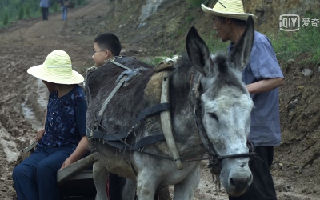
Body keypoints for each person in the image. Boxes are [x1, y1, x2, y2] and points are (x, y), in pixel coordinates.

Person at [202, 0, 284, 199]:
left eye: (216, 21)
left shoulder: (257, 42)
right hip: (239, 133)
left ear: (228, 21)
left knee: (258, 192)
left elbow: (275, 78)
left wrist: (239, 92)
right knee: (239, 191)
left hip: (256, 132)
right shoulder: (234, 48)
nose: (214, 27)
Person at [12, 50, 89, 200]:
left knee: (44, 169)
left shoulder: (79, 98)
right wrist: (44, 128)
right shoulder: (54, 93)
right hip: (47, 147)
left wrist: (72, 159)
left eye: (45, 79)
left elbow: (86, 137)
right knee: (20, 172)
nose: (43, 81)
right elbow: (50, 110)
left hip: (68, 147)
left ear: (55, 80)